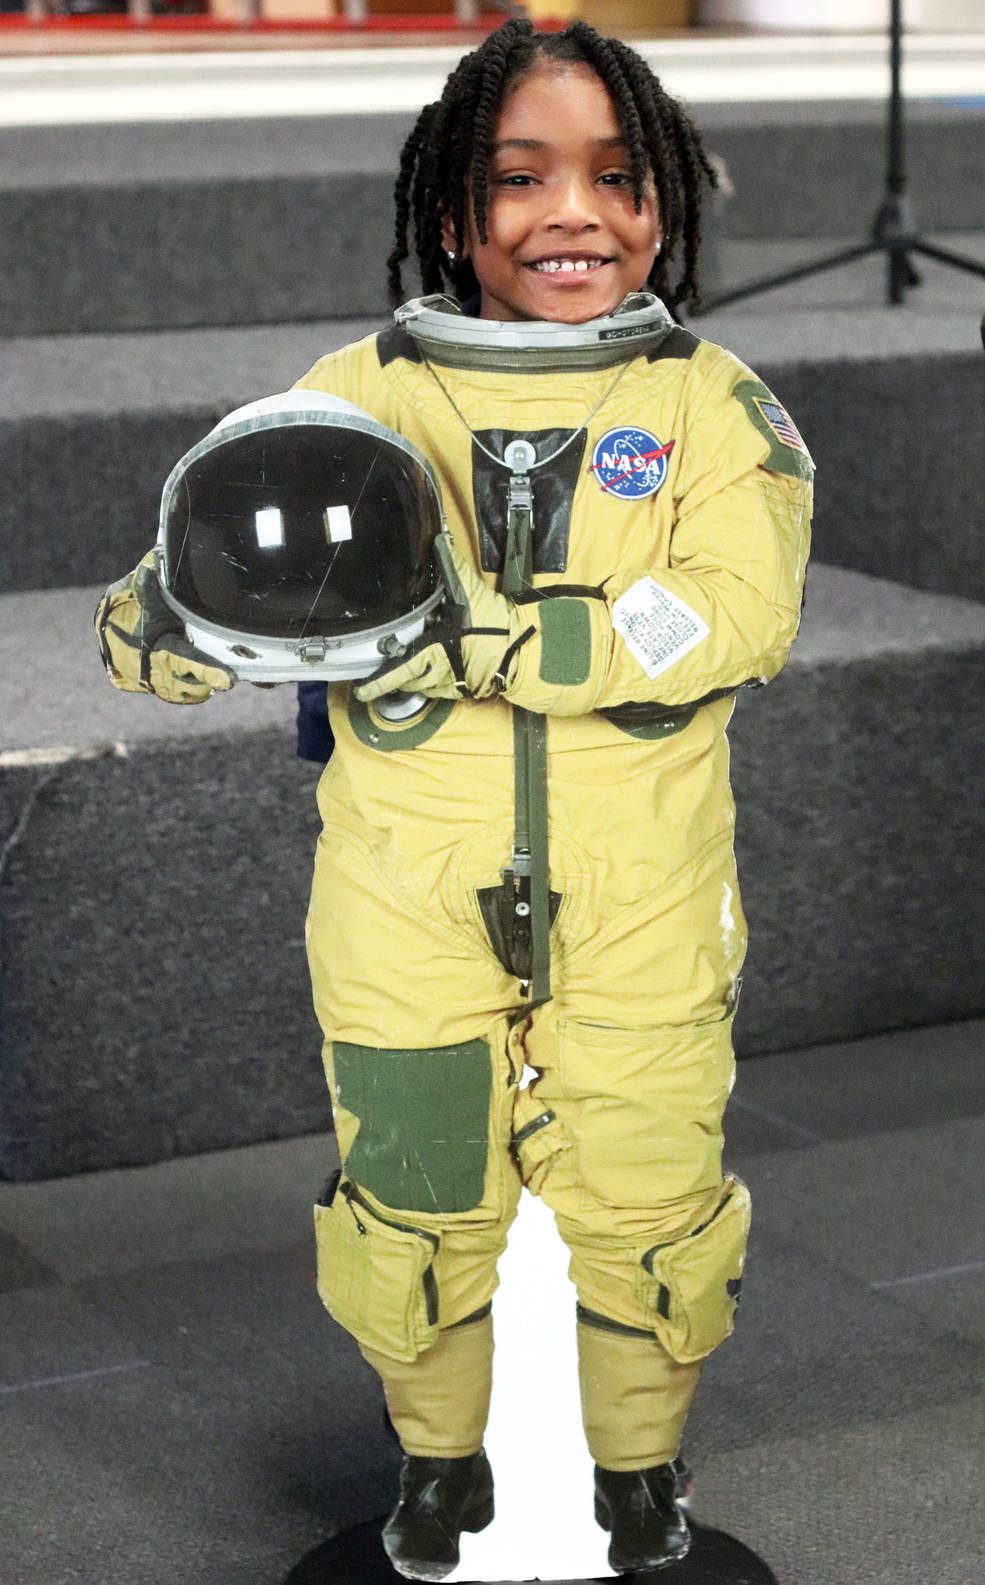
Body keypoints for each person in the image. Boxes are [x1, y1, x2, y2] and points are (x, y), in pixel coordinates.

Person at [95, 18, 812, 1582]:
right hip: (402, 892)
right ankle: (436, 1463)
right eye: (521, 179)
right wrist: (171, 618)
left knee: (648, 1193)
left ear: (662, 201)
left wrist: (485, 638)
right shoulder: (358, 392)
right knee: (412, 1198)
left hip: (638, 889)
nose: (577, 213)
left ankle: (637, 1470)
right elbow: (231, 574)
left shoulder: (711, 406)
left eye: (618, 180)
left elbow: (724, 617)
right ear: (447, 213)